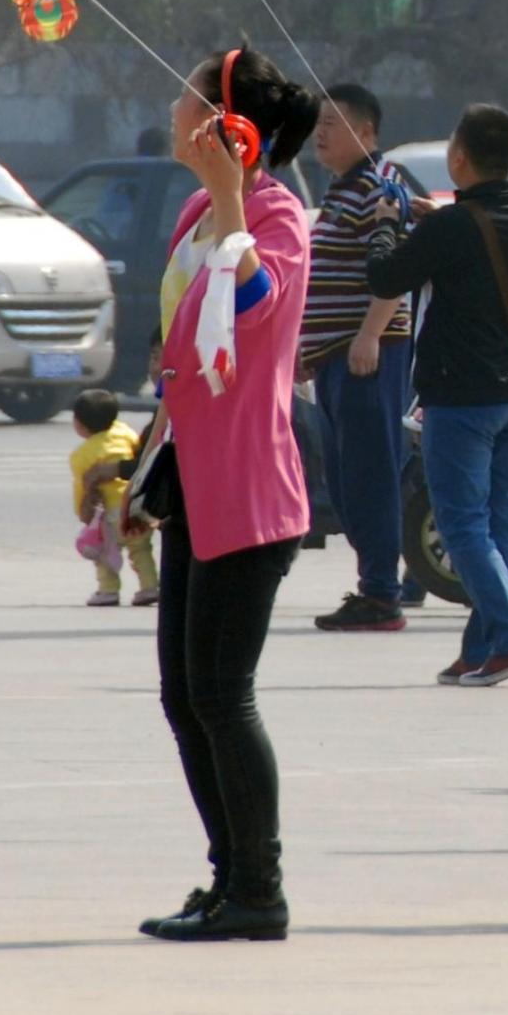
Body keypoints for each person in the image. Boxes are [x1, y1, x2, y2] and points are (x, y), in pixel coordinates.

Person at [141, 50, 320, 944]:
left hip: (249, 491)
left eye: (186, 94)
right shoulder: (190, 214)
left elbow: (253, 308)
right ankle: (227, 877)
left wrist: (235, 199)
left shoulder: (278, 216)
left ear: (224, 126)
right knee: (182, 695)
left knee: (224, 694)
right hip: (194, 485)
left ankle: (261, 889)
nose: (172, 106)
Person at [363, 102, 508, 687]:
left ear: (459, 157)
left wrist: (386, 224)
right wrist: (437, 218)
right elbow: (477, 236)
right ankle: (484, 644)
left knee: (462, 524)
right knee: (501, 523)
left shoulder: (451, 226)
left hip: (461, 398)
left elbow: (384, 277)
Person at [294, 84, 420, 635]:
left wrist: (370, 334)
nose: (319, 134)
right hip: (335, 359)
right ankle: (378, 584)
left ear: (365, 134)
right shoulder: (344, 191)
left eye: (331, 124)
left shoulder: (378, 188)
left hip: (368, 356)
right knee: (345, 478)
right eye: (317, 124)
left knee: (368, 476)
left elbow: (395, 269)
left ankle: (381, 594)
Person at [69, 389, 159, 608]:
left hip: (110, 515)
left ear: (80, 426)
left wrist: (83, 512)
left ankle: (108, 590)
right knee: (140, 550)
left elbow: (84, 487)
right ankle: (149, 587)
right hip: (136, 506)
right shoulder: (126, 433)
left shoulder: (82, 455)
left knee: (105, 553)